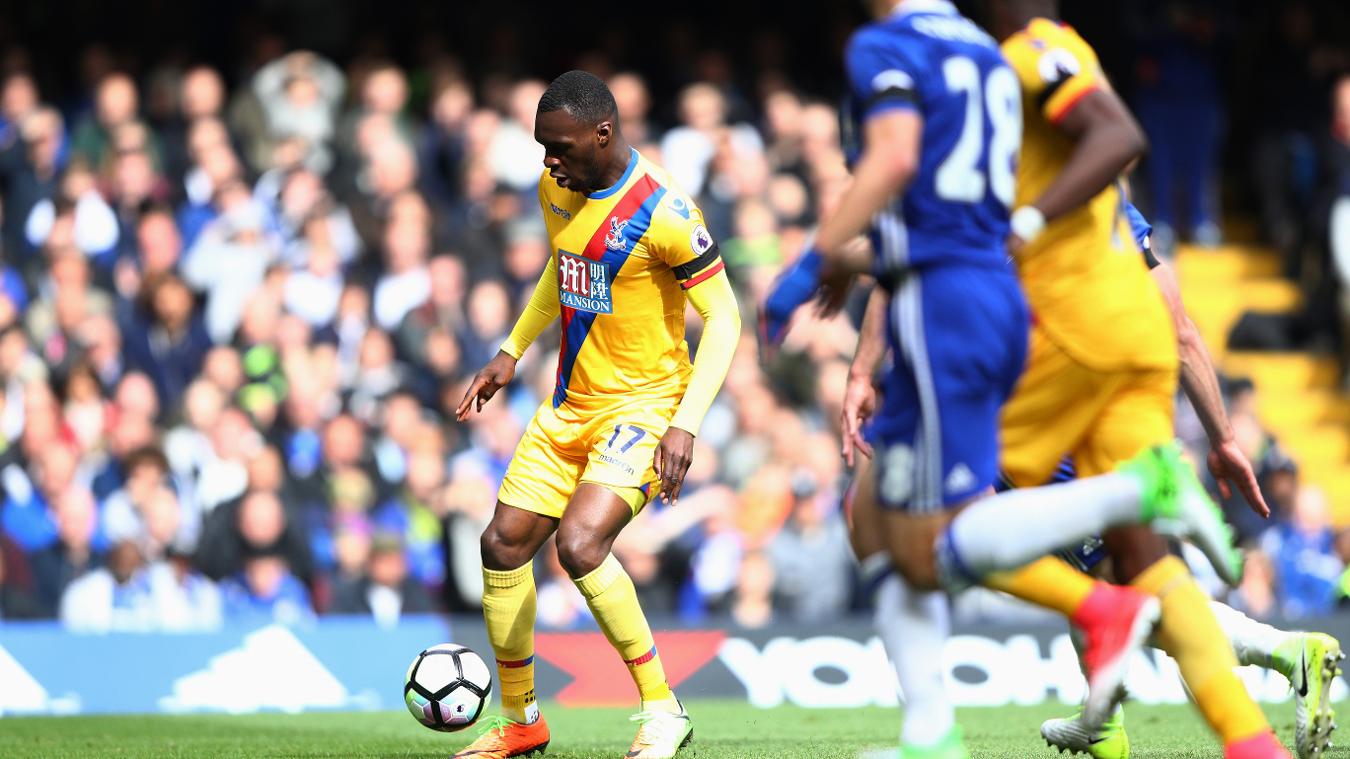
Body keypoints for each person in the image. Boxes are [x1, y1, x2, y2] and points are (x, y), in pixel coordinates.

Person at [761, 1, 1235, 755]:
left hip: (949, 304)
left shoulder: (891, 48)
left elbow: (896, 168)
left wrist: (814, 260)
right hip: (987, 300)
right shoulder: (990, 56)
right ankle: (933, 731)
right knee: (881, 521)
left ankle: (1126, 527)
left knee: (929, 535)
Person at [454, 70, 740, 759]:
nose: (548, 161)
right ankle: (522, 719)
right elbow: (563, 264)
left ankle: (662, 707)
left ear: (603, 135)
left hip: (645, 407)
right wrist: (510, 349)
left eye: (559, 146)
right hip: (569, 404)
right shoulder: (559, 185)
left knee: (580, 545)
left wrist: (686, 421)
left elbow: (725, 319)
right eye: (542, 147)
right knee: (501, 544)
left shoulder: (665, 211)